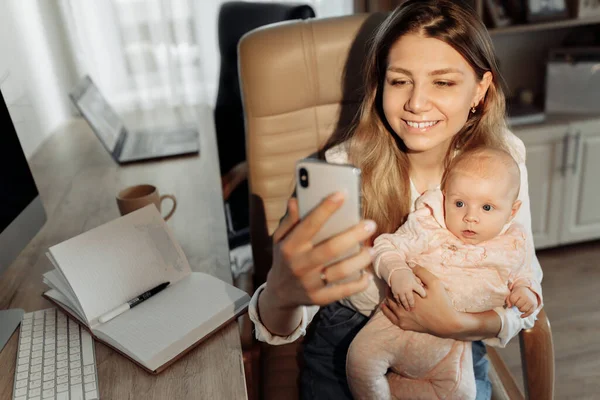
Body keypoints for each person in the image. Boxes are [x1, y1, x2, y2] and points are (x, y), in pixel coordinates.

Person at [247, 1, 544, 399]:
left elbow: (525, 295)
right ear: (380, 84)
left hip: (455, 344)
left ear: (480, 89)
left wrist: (454, 324)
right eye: (400, 80)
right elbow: (281, 329)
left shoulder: (503, 162)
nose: (416, 103)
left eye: (443, 82)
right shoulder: (343, 171)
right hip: (349, 342)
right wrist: (281, 293)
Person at [346, 147, 542, 400]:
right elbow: (386, 245)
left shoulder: (513, 244)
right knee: (360, 360)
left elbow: (525, 277)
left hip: (451, 347)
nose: (470, 217)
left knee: (463, 394)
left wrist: (525, 292)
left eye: (487, 207)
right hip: (393, 325)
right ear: (445, 198)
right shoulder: (430, 225)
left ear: (512, 211)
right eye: (459, 203)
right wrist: (398, 273)